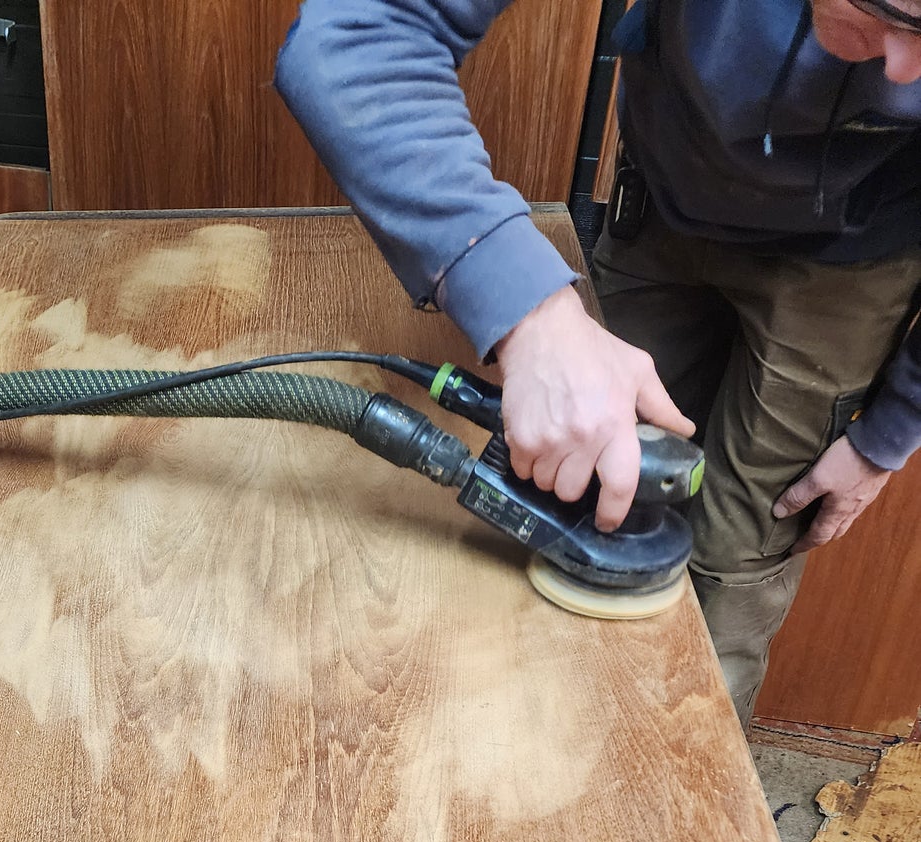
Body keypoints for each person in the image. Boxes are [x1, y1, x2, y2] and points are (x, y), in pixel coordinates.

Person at [276, 0, 921, 718]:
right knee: (579, 489)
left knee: (739, 554)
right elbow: (360, 35)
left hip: (860, 256)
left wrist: (890, 432)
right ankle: (550, 743)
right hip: (666, 201)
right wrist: (532, 318)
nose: (902, 75)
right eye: (891, 12)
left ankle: (690, 796)